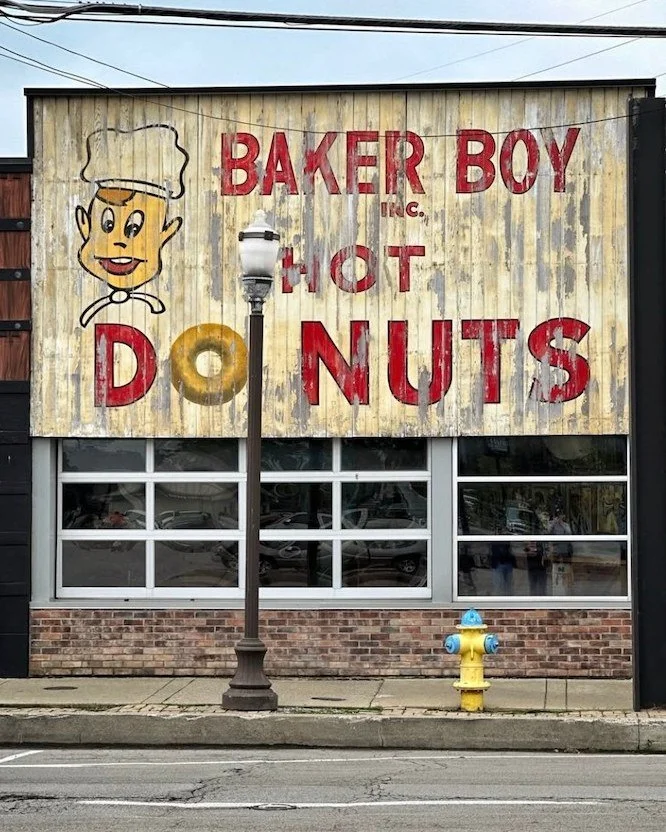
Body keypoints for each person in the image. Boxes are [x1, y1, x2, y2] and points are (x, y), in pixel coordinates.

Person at [75, 124, 189, 327]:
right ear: (85, 225)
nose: (119, 241)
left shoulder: (155, 307)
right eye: (107, 225)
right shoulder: (91, 312)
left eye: (134, 229)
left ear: (166, 233)